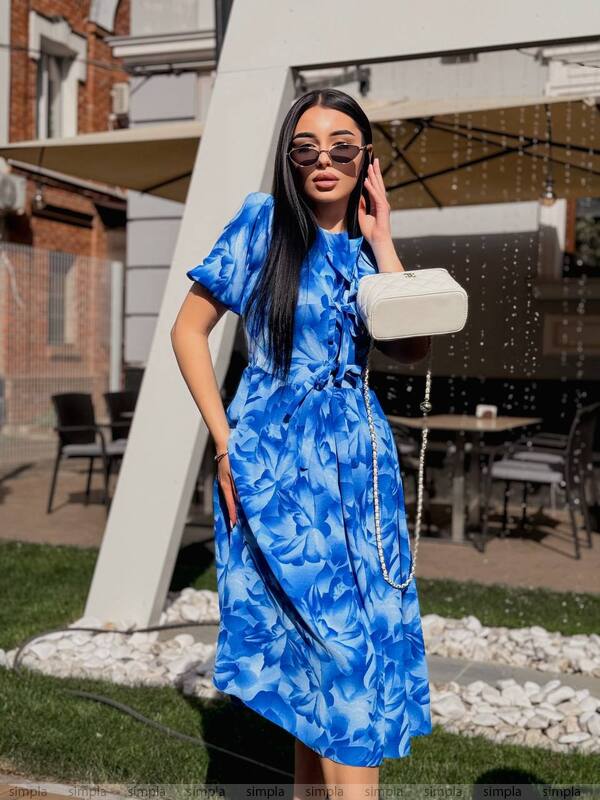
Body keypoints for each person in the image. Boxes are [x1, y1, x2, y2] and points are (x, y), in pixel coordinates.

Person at [171, 88, 433, 792]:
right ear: (289, 160)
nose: (325, 161)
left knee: (343, 662)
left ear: (366, 159)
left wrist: (383, 240)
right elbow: (187, 332)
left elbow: (411, 346)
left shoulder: (365, 252)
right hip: (274, 467)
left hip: (358, 471)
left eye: (343, 147)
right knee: (336, 663)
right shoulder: (261, 226)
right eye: (307, 148)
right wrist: (226, 443)